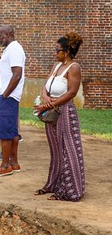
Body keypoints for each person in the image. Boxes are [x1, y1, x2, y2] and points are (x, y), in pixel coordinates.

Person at [33, 32, 85, 201]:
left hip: (65, 112)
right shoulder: (56, 66)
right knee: (56, 150)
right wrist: (46, 98)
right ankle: (54, 184)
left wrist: (50, 104)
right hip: (53, 113)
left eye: (57, 51)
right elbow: (45, 87)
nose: (55, 53)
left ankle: (70, 190)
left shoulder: (74, 67)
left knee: (68, 150)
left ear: (67, 52)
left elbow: (72, 92)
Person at [0, 25, 26, 178]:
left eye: (0, 36)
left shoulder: (15, 48)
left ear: (9, 34)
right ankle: (14, 163)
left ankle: (5, 166)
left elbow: (17, 74)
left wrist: (4, 95)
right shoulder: (10, 49)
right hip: (7, 96)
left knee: (4, 132)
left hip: (7, 96)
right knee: (11, 131)